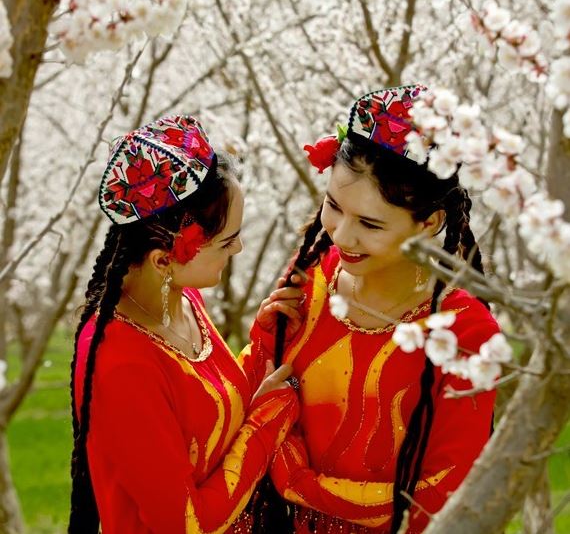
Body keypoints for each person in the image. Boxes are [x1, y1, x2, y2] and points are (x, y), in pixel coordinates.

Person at [243, 84, 500, 533]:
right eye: (334, 207)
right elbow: (253, 401)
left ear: (430, 223)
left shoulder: (464, 334)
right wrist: (264, 340)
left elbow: (447, 495)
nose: (342, 236)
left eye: (370, 223)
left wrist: (299, 481)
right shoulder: (310, 278)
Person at [68, 114, 300, 534]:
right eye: (228, 241)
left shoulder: (180, 296)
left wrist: (263, 338)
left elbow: (211, 416)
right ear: (164, 260)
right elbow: (185, 524)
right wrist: (266, 426)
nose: (241, 248)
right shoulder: (120, 365)